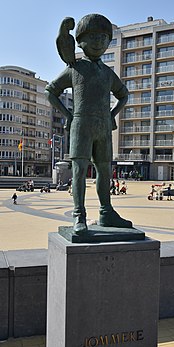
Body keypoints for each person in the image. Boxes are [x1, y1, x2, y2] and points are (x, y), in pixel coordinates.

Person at [45, 14, 132, 234]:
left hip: (103, 126)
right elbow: (51, 91)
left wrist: (112, 114)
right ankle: (79, 214)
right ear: (80, 40)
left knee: (104, 169)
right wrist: (68, 114)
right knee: (80, 170)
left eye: (103, 37)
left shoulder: (108, 73)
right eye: (92, 36)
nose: (98, 41)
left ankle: (106, 211)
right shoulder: (76, 68)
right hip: (81, 124)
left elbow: (124, 95)